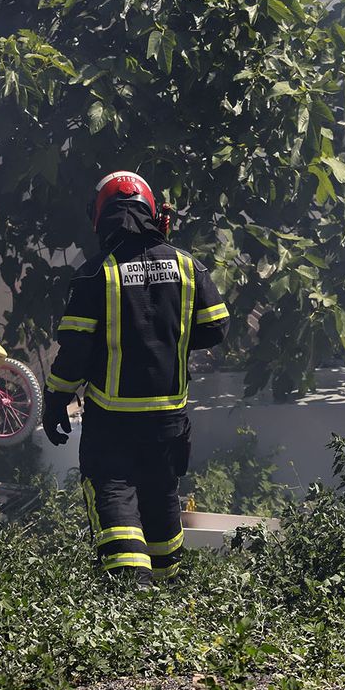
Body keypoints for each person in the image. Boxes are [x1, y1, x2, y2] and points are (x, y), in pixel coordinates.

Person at [41, 171, 229, 584]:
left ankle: (131, 594)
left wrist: (55, 399)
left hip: (113, 422)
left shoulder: (96, 274)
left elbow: (74, 353)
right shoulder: (188, 267)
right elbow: (216, 325)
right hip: (169, 421)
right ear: (152, 212)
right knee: (162, 495)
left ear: (101, 218)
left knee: (113, 495)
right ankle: (165, 592)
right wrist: (170, 338)